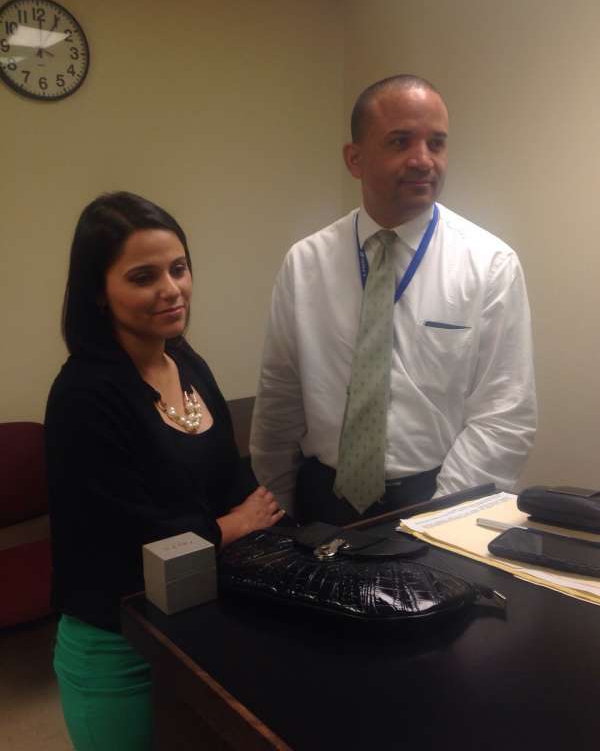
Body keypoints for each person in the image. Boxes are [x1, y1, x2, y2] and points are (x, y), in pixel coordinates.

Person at [45, 191, 283, 751]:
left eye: (179, 268)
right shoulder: (83, 394)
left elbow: (228, 476)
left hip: (200, 619)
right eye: (143, 276)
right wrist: (234, 525)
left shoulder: (186, 362)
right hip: (118, 637)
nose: (171, 289)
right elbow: (127, 539)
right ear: (99, 292)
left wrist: (260, 517)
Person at [250, 74, 537, 525]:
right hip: (321, 501)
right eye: (400, 142)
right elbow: (279, 400)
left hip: (438, 498)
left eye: (436, 143)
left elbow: (505, 415)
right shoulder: (305, 263)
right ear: (355, 159)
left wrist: (439, 520)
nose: (423, 160)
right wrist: (278, 512)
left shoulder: (490, 265)